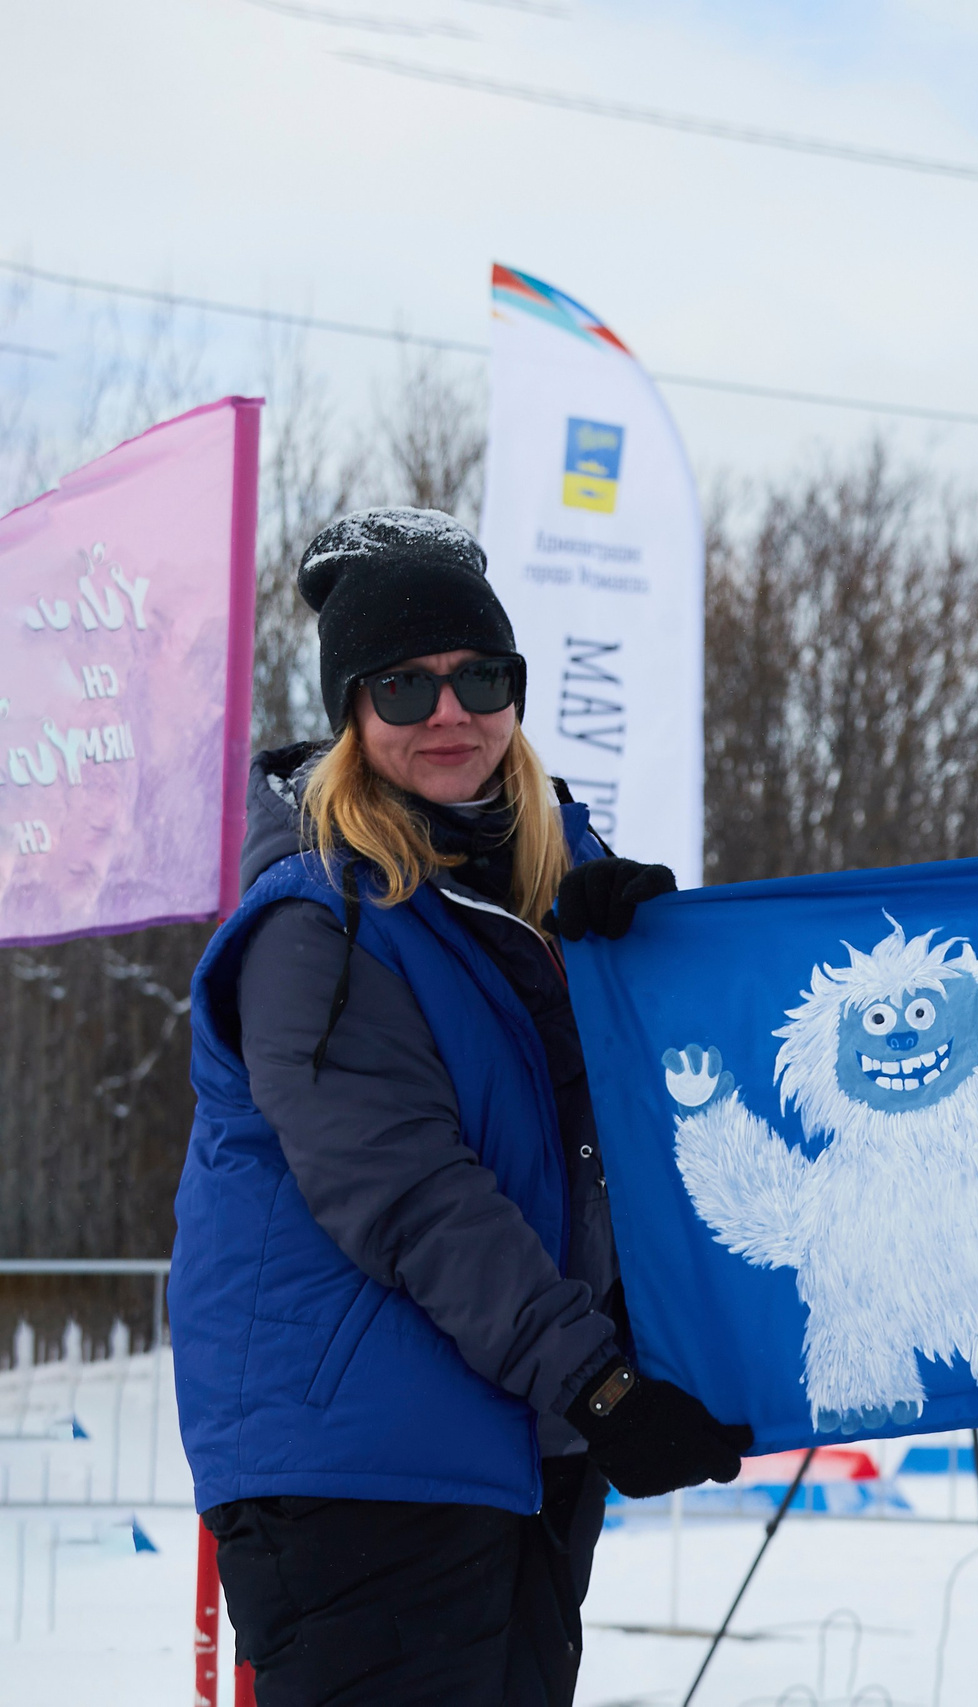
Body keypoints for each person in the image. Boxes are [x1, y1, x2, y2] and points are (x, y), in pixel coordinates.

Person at [170, 509, 753, 1706]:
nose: (450, 713)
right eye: (404, 688)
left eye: (481, 676)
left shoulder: (528, 895)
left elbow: (625, 1145)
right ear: (350, 714)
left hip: (519, 1449)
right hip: (360, 1467)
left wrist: (645, 971)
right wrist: (600, 1384)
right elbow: (412, 1197)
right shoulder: (314, 927)